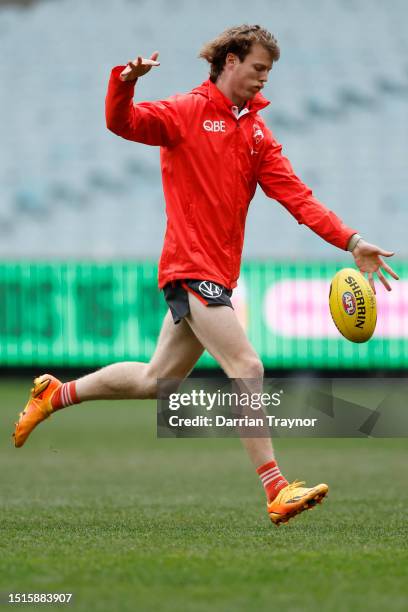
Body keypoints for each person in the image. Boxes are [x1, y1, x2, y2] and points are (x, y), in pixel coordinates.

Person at [13, 25, 398, 526]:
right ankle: (276, 489)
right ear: (231, 61)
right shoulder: (184, 111)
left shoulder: (257, 133)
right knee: (248, 366)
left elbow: (297, 198)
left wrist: (350, 241)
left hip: (217, 274)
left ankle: (54, 394)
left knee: (156, 381)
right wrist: (126, 82)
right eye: (259, 68)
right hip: (190, 269)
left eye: (269, 71)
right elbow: (122, 122)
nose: (264, 79)